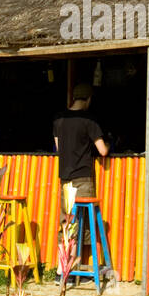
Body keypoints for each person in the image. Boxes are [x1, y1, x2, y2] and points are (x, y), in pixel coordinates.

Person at [53, 83, 109, 220]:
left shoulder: (58, 120)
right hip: (82, 177)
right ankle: (86, 243)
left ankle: (64, 242)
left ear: (74, 98)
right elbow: (102, 151)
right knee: (85, 221)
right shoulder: (88, 120)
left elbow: (59, 148)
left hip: (65, 178)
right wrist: (108, 144)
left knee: (67, 219)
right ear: (89, 99)